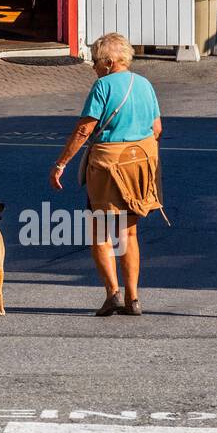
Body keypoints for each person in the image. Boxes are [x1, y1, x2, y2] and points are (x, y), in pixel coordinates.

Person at [50, 33, 163, 316]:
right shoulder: (145, 84)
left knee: (100, 230)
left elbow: (84, 130)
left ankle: (112, 293)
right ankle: (133, 298)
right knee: (129, 232)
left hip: (108, 164)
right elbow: (157, 128)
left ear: (110, 63)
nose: (94, 69)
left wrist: (61, 163)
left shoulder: (103, 86)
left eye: (97, 63)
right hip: (139, 162)